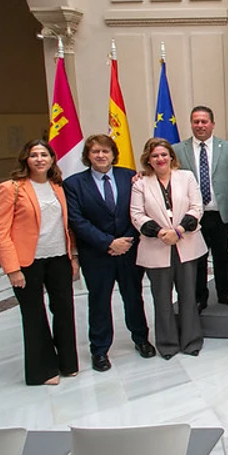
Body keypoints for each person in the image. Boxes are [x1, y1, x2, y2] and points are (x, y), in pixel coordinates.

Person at [0, 139, 79, 385]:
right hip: (27, 262)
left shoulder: (57, 187)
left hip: (58, 258)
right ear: (25, 160)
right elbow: (0, 231)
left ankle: (67, 362)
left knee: (64, 310)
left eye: (44, 154)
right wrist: (12, 269)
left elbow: (66, 225)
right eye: (34, 155)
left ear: (52, 159)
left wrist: (72, 256)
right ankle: (43, 371)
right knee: (34, 314)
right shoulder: (11, 188)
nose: (40, 159)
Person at [64, 135, 154, 372]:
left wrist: (125, 241)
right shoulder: (74, 184)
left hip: (129, 249)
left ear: (114, 154)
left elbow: (140, 210)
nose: (101, 156)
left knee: (133, 296)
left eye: (105, 151)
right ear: (88, 156)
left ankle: (141, 339)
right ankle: (100, 349)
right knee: (99, 301)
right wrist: (108, 243)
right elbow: (77, 221)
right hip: (96, 254)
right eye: (96, 152)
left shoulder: (131, 177)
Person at [130, 138, 208, 360]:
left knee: (188, 294)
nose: (160, 159)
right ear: (148, 159)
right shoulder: (140, 184)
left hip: (187, 243)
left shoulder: (186, 177)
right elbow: (136, 214)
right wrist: (161, 233)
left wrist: (179, 231)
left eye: (164, 155)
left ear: (171, 157)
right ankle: (167, 343)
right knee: (162, 298)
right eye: (155, 156)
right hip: (156, 246)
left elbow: (196, 207)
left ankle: (191, 341)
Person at [172, 106, 228, 313]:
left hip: (221, 212)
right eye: (196, 121)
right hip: (192, 215)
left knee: (222, 255)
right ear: (191, 124)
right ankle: (199, 297)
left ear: (212, 123)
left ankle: (224, 293)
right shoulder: (178, 150)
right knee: (198, 258)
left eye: (204, 121)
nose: (200, 125)